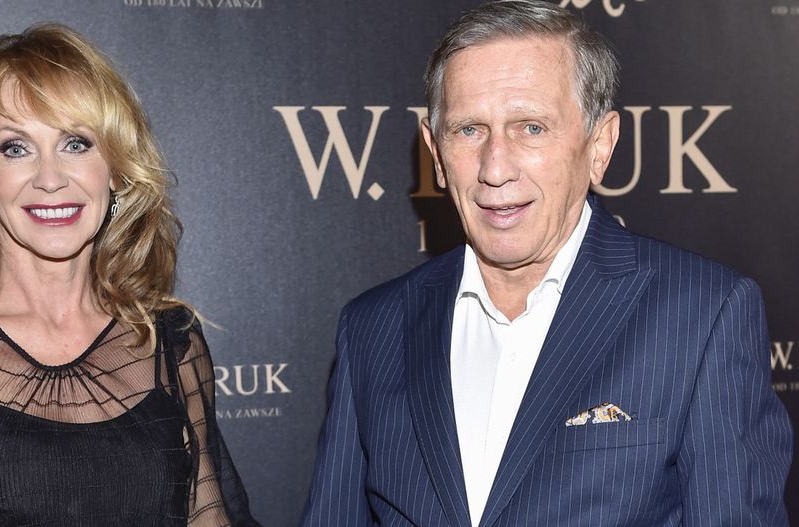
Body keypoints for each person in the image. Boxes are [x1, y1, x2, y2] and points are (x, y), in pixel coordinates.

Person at [300, 1, 792, 526]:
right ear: (436, 153)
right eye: (469, 130)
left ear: (599, 145)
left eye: (531, 128)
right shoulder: (372, 328)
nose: (495, 168)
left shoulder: (702, 313)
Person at [0, 24, 259, 526]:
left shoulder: (171, 344)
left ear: (116, 168)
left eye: (76, 143)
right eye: (15, 148)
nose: (50, 179)